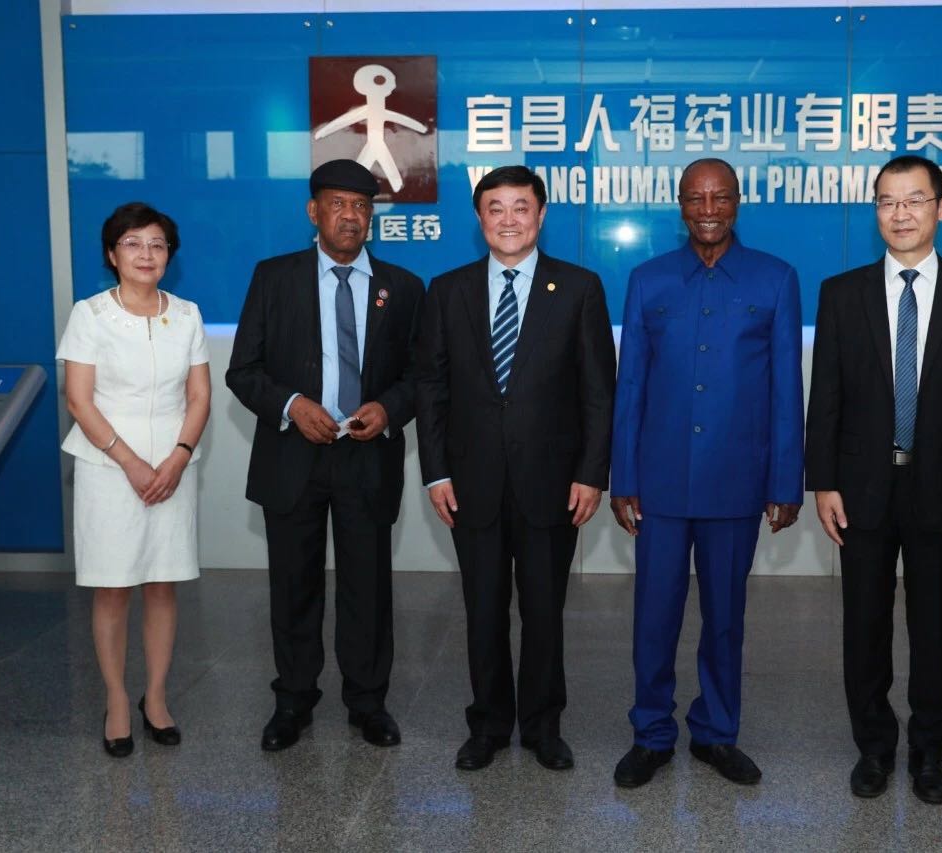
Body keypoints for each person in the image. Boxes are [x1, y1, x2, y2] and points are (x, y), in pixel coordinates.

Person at [804, 154, 942, 804]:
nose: (901, 213)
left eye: (915, 199)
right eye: (888, 201)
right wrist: (823, 481)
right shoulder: (843, 292)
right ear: (876, 211)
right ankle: (874, 747)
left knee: (935, 627)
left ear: (941, 207)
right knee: (863, 626)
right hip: (861, 486)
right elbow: (826, 396)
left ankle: (929, 752)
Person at [414, 166, 616, 772]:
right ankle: (489, 725)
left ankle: (543, 726)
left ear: (541, 215)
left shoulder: (578, 288)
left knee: (544, 611)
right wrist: (435, 472)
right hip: (470, 482)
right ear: (479, 219)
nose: (509, 220)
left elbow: (598, 393)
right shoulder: (447, 290)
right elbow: (431, 389)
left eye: (521, 207)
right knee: (482, 610)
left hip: (552, 484)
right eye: (495, 208)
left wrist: (591, 473)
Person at [609, 158, 803, 788]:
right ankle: (651, 734)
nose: (708, 209)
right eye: (696, 198)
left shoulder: (775, 278)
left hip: (736, 481)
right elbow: (630, 385)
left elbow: (785, 389)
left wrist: (784, 482)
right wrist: (622, 476)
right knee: (654, 616)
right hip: (660, 483)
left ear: (738, 202)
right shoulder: (649, 280)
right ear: (681, 205)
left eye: (720, 197)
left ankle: (717, 732)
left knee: (724, 618)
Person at [227, 159, 423, 751]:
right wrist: (292, 405)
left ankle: (368, 702)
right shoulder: (274, 277)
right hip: (294, 453)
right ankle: (293, 700)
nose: (350, 216)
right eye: (338, 204)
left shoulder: (403, 287)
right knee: (294, 585)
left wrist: (388, 408)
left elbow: (422, 375)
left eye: (361, 206)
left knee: (368, 587)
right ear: (314, 212)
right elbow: (243, 370)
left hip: (367, 456)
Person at [58, 202, 211, 757]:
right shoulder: (91, 314)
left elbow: (199, 395)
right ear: (112, 253)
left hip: (173, 467)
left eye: (157, 244)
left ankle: (157, 697)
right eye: (133, 243)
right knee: (113, 586)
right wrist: (129, 461)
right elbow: (79, 399)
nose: (146, 254)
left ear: (169, 255)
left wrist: (179, 456)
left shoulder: (187, 314)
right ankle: (118, 700)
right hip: (108, 468)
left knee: (163, 584)